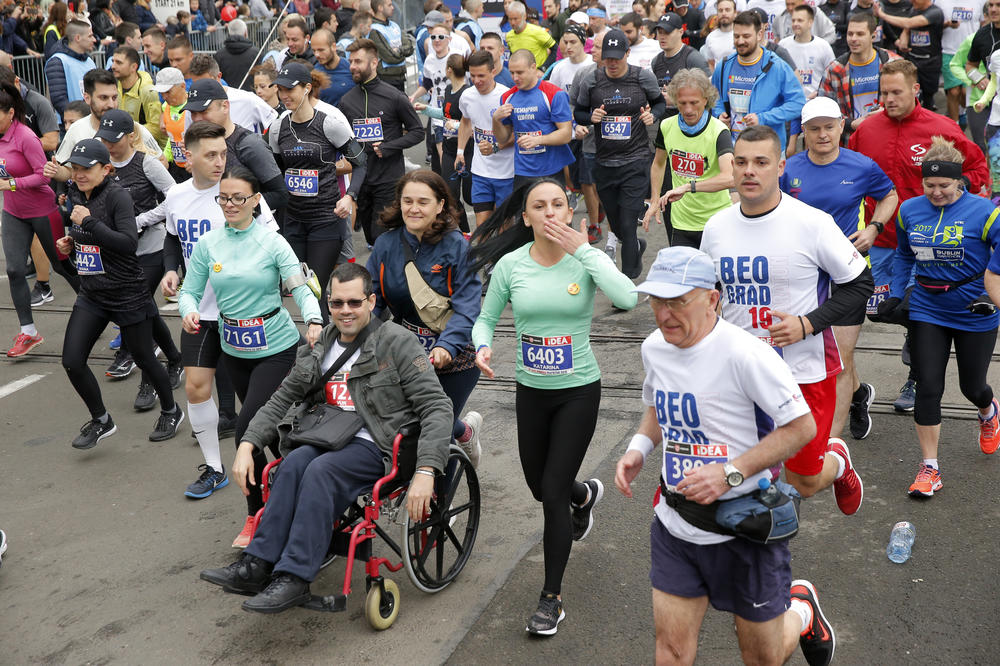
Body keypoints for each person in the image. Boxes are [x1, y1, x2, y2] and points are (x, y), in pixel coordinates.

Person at [615, 245, 835, 666]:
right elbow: (657, 405)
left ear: (712, 299)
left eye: (678, 301)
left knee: (763, 658)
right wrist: (638, 449)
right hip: (676, 523)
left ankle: (802, 609)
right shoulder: (654, 348)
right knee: (672, 653)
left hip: (743, 528)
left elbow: (801, 427)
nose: (664, 314)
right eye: (657, 301)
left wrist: (730, 473)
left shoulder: (746, 354)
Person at [199, 263, 452, 613]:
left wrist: (426, 471)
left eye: (354, 303)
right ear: (328, 304)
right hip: (328, 436)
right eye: (337, 303)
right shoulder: (321, 344)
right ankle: (257, 564)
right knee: (290, 466)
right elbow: (282, 398)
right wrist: (247, 444)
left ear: (370, 301)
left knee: (320, 472)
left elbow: (437, 407)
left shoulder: (397, 343)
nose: (345, 311)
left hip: (377, 444)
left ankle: (294, 578)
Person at [471, 179, 638, 635]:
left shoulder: (585, 260)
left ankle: (551, 598)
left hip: (578, 391)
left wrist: (585, 251)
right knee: (543, 488)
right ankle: (583, 496)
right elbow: (485, 319)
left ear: (570, 212)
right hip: (531, 391)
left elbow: (627, 297)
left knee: (552, 495)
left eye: (557, 205)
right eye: (538, 207)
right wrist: (482, 347)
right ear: (525, 218)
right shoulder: (510, 265)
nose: (549, 213)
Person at [701, 125, 871, 517]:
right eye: (741, 162)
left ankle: (838, 462)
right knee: (746, 477)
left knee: (804, 482)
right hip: (742, 375)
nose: (748, 171)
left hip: (804, 371)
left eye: (760, 162)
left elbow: (860, 285)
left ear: (780, 167)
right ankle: (763, 568)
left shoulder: (812, 223)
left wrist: (806, 324)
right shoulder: (716, 228)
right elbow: (710, 297)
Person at [849, 59, 990, 411]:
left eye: (896, 92)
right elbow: (848, 171)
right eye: (883, 93)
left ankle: (917, 377)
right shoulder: (866, 131)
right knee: (891, 309)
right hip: (882, 241)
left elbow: (977, 167)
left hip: (931, 241)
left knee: (919, 308)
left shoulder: (941, 128)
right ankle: (920, 359)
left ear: (915, 90)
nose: (888, 99)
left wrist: (953, 193)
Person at [156, 122, 279, 522]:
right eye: (210, 154)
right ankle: (215, 467)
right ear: (186, 155)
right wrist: (171, 269)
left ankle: (275, 465)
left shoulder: (239, 192)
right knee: (195, 387)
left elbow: (274, 244)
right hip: (200, 313)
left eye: (223, 153)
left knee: (253, 406)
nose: (219, 161)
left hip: (245, 317)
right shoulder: (175, 195)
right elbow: (173, 238)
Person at [179, 166, 323, 505]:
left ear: (256, 200)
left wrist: (314, 319)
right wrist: (188, 310)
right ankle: (289, 484)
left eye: (238, 198)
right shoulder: (209, 243)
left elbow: (299, 287)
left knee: (247, 430)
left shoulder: (273, 242)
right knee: (268, 431)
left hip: (278, 349)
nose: (230, 204)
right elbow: (189, 290)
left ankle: (254, 513)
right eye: (224, 198)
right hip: (235, 351)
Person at [880, 137, 1000, 498]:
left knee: (971, 386)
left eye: (944, 186)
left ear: (959, 181)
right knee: (928, 387)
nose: (935, 192)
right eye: (929, 185)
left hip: (973, 309)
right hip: (928, 306)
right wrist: (896, 292)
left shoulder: (984, 212)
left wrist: (988, 288)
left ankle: (988, 410)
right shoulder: (909, 210)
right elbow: (902, 255)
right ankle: (929, 467)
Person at [780, 97, 897, 442]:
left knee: (841, 358)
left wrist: (874, 227)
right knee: (821, 350)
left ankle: (832, 442)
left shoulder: (861, 166)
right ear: (803, 132)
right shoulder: (790, 169)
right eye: (814, 129)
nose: (823, 135)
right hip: (804, 274)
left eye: (829, 127)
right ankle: (859, 395)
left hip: (848, 273)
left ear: (841, 125)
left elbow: (890, 195)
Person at [55, 138, 184, 450]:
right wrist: (71, 245)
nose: (79, 173)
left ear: (106, 169)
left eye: (86, 168)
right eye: (74, 168)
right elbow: (89, 239)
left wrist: (88, 222)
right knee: (72, 360)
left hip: (127, 291)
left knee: (144, 357)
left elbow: (127, 243)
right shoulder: (74, 191)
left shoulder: (118, 197)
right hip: (93, 293)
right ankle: (101, 420)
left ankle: (171, 410)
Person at [367, 170, 484, 466]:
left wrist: (447, 346)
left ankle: (441, 509)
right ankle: (464, 432)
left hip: (456, 356)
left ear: (440, 205)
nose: (414, 208)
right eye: (408, 201)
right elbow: (371, 303)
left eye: (423, 201)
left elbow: (468, 307)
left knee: (435, 429)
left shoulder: (458, 246)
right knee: (403, 421)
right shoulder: (385, 244)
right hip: (406, 351)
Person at [96, 109, 184, 411]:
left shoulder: (146, 164)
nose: (109, 145)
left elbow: (176, 196)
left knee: (135, 316)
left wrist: (143, 219)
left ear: (131, 136)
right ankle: (174, 359)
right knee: (145, 312)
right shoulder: (102, 167)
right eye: (104, 139)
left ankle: (150, 379)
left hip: (152, 249)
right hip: (120, 253)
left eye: (114, 139)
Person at [268, 61, 368, 323]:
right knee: (299, 286)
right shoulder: (278, 128)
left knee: (315, 287)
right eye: (280, 90)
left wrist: (350, 196)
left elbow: (361, 162)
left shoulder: (329, 124)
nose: (284, 95)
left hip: (326, 219)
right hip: (294, 220)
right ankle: (318, 340)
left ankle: (324, 346)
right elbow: (277, 173)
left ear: (307, 88)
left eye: (290, 89)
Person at [574, 29, 665, 279]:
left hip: (635, 160)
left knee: (627, 223)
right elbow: (579, 112)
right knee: (616, 224)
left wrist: (653, 115)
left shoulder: (642, 77)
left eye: (617, 57)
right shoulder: (592, 80)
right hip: (604, 162)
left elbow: (659, 103)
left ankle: (625, 283)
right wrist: (589, 118)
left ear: (627, 53)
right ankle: (635, 246)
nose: (612, 63)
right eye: (607, 58)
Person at [1, 82, 80, 358]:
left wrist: (10, 184)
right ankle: (29, 332)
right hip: (13, 212)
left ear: (10, 113)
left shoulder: (25, 137)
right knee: (14, 270)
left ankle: (98, 305)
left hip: (42, 209)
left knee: (62, 266)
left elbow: (44, 175)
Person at [339, 39, 426, 246]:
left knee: (383, 237)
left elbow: (417, 132)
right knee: (370, 235)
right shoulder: (346, 101)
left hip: (389, 178)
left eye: (358, 61)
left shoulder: (394, 96)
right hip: (361, 180)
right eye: (351, 61)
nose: (353, 66)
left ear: (374, 63)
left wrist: (389, 146)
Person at [644, 68, 734, 249]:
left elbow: (730, 178)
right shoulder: (666, 126)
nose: (688, 109)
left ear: (706, 100)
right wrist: (654, 200)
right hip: (680, 224)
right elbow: (659, 163)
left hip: (715, 223)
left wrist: (688, 187)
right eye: (682, 103)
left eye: (694, 103)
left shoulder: (719, 131)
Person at [184, 78, 287, 215]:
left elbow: (280, 195)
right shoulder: (197, 144)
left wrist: (237, 207)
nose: (196, 119)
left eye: (204, 111)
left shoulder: (249, 144)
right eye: (193, 113)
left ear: (225, 106)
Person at [711, 10, 805, 151]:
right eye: (736, 36)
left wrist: (762, 119)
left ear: (760, 34)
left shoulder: (776, 66)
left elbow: (798, 104)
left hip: (768, 150)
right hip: (733, 149)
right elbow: (713, 97)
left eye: (746, 36)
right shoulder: (724, 65)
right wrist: (719, 113)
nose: (740, 41)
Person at [494, 49, 574, 189]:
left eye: (520, 72)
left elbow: (566, 134)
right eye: (512, 73)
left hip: (551, 169)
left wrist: (538, 140)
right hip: (522, 170)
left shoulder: (553, 94)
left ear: (533, 67)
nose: (515, 78)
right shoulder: (507, 97)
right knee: (524, 211)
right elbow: (502, 139)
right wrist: (495, 120)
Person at [817, 12, 899, 145]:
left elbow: (910, 103)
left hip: (888, 140)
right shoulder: (835, 70)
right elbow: (823, 109)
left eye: (860, 34)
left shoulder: (893, 63)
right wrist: (852, 124)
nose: (853, 39)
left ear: (873, 35)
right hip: (850, 142)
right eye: (850, 34)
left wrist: (887, 113)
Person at [414, 55, 473, 230]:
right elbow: (445, 113)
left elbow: (471, 121)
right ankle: (464, 232)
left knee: (470, 196)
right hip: (449, 150)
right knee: (451, 195)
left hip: (467, 150)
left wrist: (456, 125)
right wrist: (427, 110)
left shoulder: (467, 93)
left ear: (449, 70)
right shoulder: (448, 90)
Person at [457, 50, 515, 228]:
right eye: (472, 76)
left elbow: (517, 133)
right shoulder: (467, 96)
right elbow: (466, 122)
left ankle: (503, 255)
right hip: (480, 171)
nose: (476, 81)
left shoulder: (507, 96)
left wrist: (496, 147)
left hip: (506, 173)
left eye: (481, 75)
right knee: (482, 226)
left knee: (505, 225)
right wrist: (460, 151)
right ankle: (484, 256)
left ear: (493, 71)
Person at [873, 0, 945, 111]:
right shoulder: (914, 10)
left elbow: (909, 23)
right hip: (912, 59)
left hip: (930, 62)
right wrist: (903, 40)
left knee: (929, 96)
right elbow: (907, 28)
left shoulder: (935, 12)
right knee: (911, 93)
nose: (912, 1)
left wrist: (882, 15)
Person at [651, 13, 711, 113]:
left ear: (681, 32)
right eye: (660, 32)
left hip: (690, 121)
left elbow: (710, 93)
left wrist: (676, 101)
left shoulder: (693, 58)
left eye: (667, 32)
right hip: (664, 123)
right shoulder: (656, 61)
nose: (662, 36)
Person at [778, 4, 835, 100]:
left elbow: (833, 77)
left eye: (800, 20)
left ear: (810, 22)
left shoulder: (823, 46)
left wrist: (819, 93)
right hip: (789, 102)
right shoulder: (783, 45)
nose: (795, 24)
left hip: (816, 102)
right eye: (793, 20)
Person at [112, 45, 164, 145]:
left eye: (119, 63)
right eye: (113, 62)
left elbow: (156, 128)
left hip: (151, 150)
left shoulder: (148, 90)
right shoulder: (115, 87)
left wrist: (126, 134)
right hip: (127, 146)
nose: (113, 66)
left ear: (134, 67)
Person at [44, 19, 97, 117]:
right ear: (78, 38)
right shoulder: (57, 61)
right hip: (68, 125)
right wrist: (77, 119)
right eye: (90, 36)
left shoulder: (89, 61)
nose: (94, 39)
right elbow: (59, 99)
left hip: (90, 120)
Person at [368, 0, 413, 92]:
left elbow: (410, 47)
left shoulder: (394, 25)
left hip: (400, 77)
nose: (393, 8)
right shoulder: (374, 30)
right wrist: (402, 54)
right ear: (380, 8)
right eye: (389, 5)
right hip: (386, 79)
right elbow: (390, 57)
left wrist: (398, 51)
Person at [310, 28, 354, 107]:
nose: (317, 55)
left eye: (321, 50)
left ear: (333, 46)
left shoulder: (351, 69)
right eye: (314, 50)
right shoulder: (314, 73)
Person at [506, 1, 556, 69]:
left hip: (537, 77)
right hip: (519, 77)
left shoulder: (538, 31)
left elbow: (556, 50)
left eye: (515, 19)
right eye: (510, 19)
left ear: (525, 16)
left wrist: (543, 68)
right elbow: (512, 55)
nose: (512, 22)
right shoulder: (509, 36)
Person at [213, 18, 257, 92]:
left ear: (229, 33)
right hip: (251, 95)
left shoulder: (219, 55)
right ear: (245, 33)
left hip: (229, 96)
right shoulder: (256, 53)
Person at [704, 0, 737, 68]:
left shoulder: (742, 34)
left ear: (735, 13)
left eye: (727, 10)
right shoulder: (711, 37)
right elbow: (711, 63)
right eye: (720, 10)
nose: (724, 13)